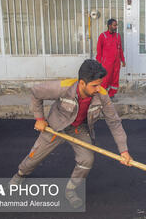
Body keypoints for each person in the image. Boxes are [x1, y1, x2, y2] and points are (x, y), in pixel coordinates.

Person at [9, 59, 132, 208]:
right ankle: (20, 175)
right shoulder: (64, 87)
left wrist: (124, 151)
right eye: (94, 85)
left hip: (79, 129)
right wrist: (40, 119)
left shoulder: (102, 94)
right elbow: (35, 92)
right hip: (56, 126)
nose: (98, 88)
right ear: (82, 83)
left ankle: (71, 191)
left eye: (100, 84)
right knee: (33, 158)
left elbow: (114, 122)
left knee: (87, 159)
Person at [96, 18, 126, 99]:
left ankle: (111, 95)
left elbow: (120, 49)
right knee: (105, 80)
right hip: (106, 63)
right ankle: (103, 96)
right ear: (109, 26)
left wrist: (123, 60)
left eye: (116, 25)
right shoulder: (103, 36)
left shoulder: (117, 36)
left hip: (116, 63)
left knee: (115, 79)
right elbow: (99, 51)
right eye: (114, 25)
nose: (116, 27)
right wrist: (98, 63)